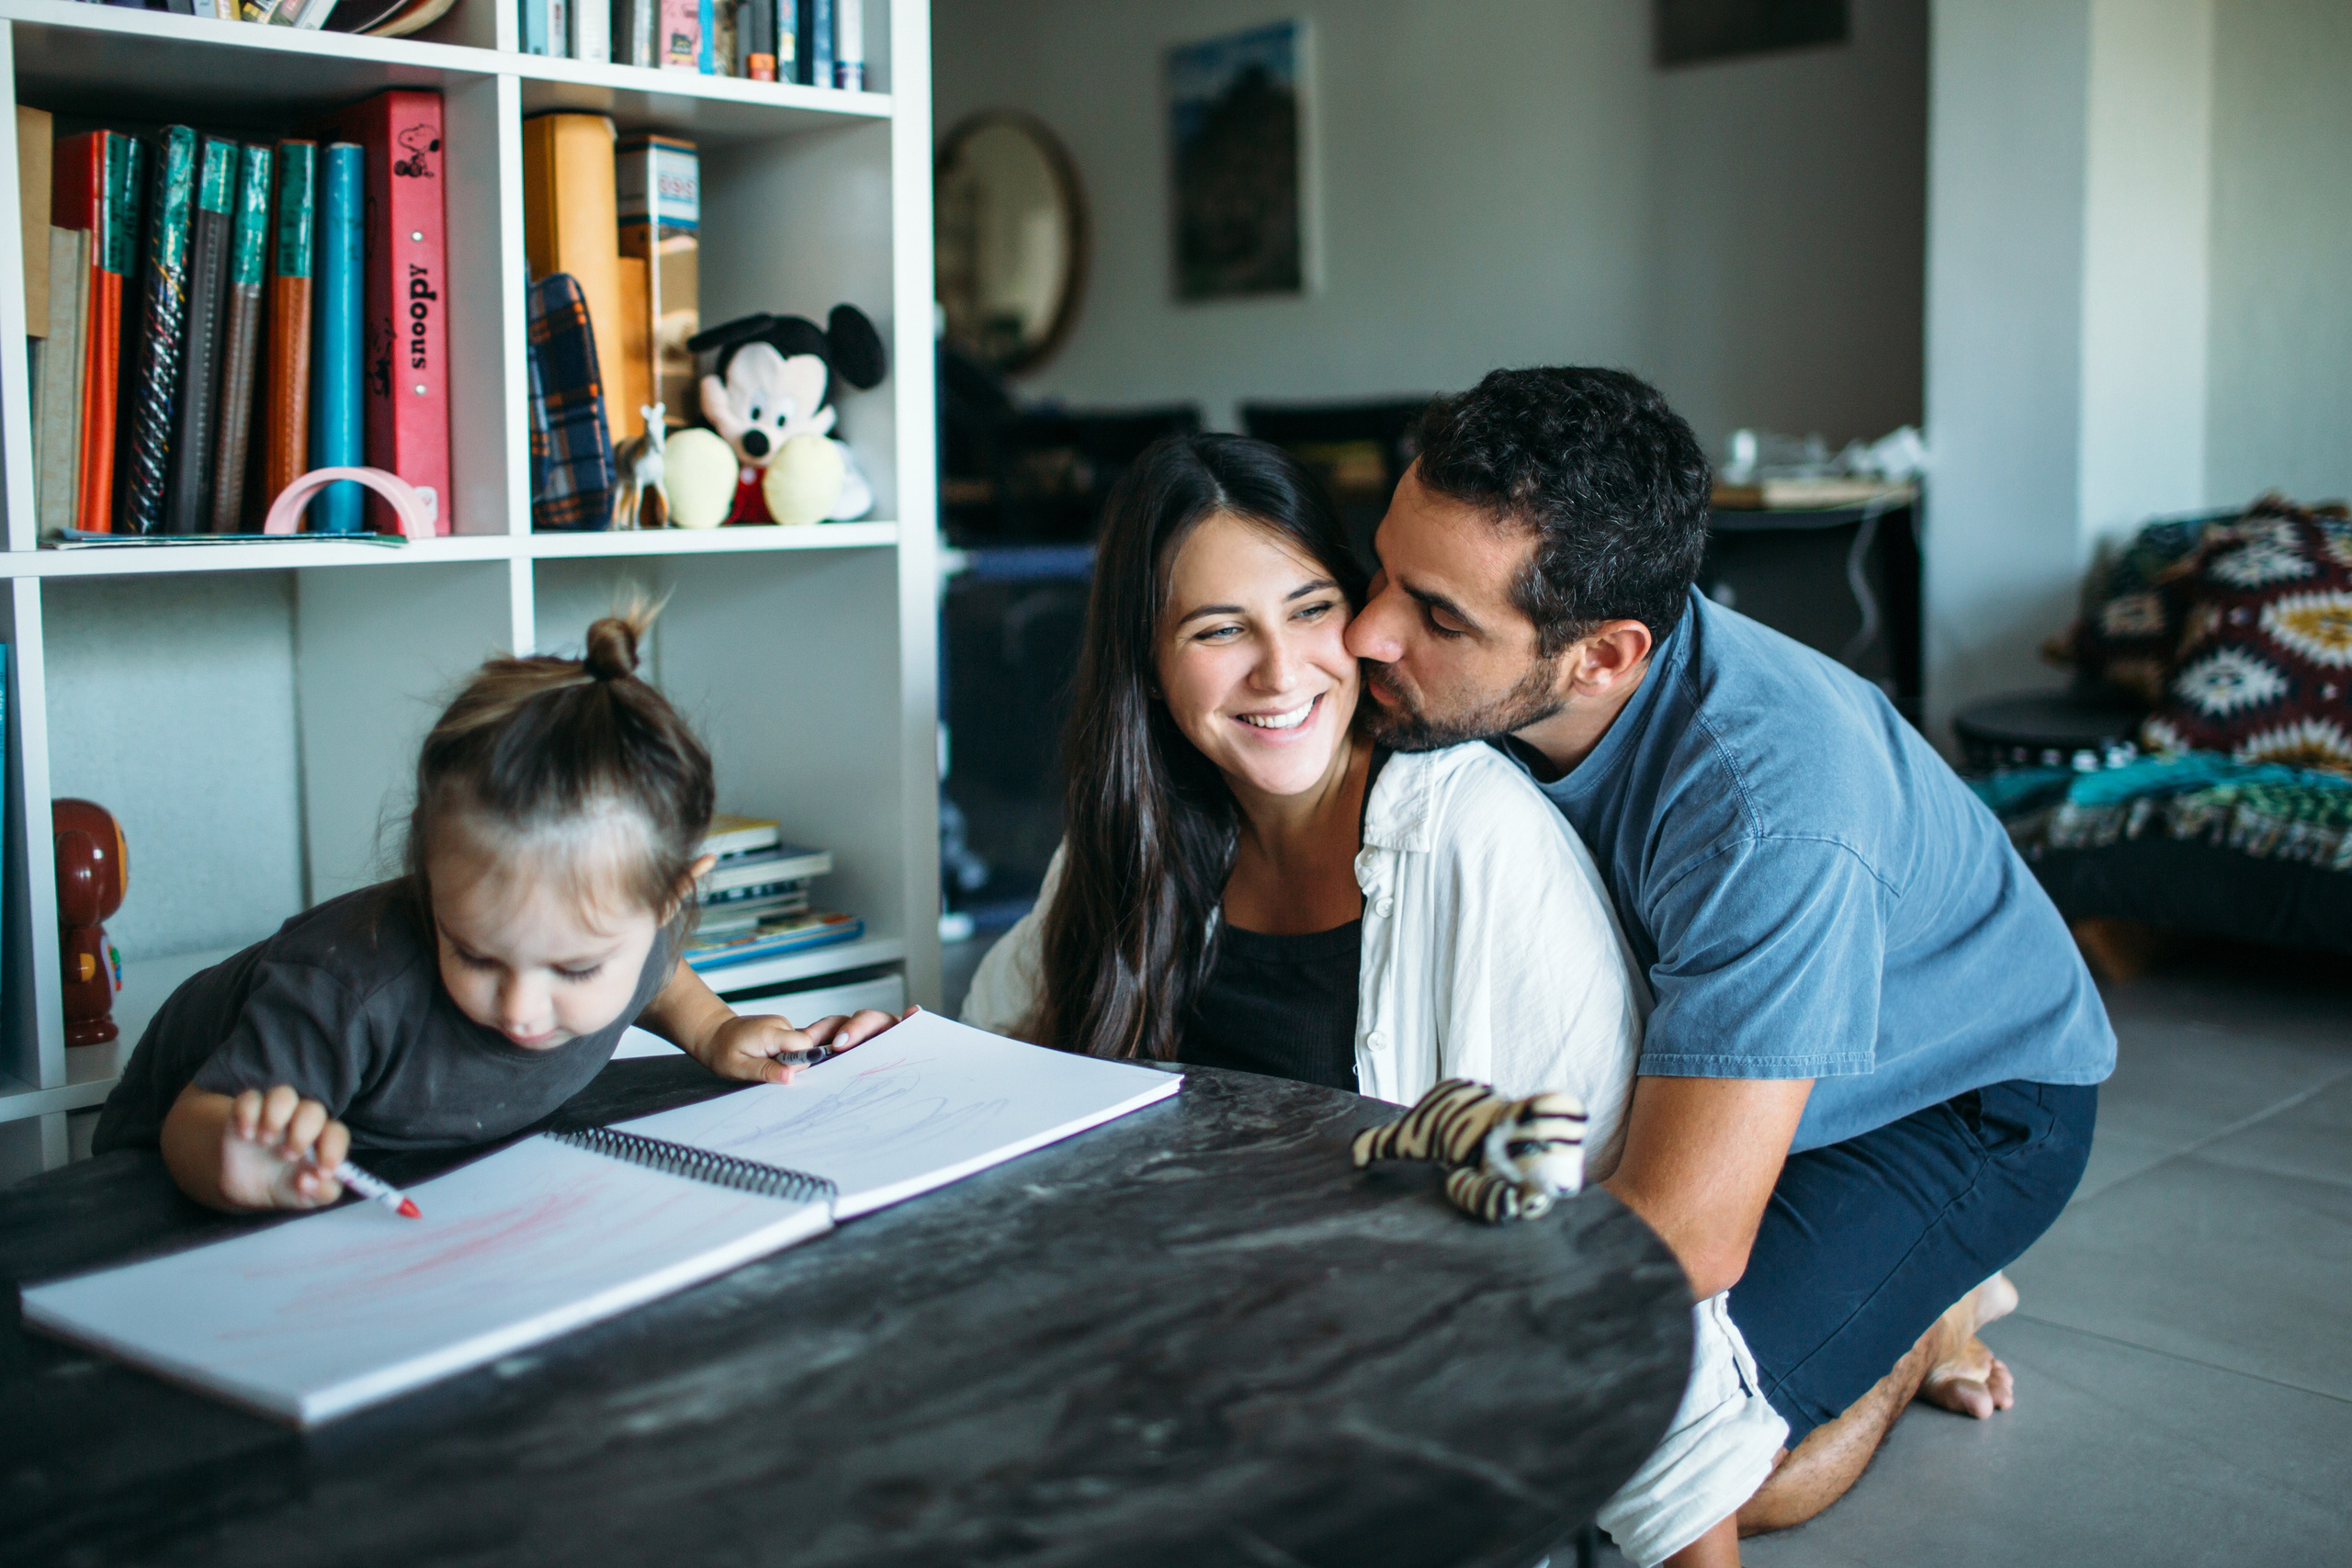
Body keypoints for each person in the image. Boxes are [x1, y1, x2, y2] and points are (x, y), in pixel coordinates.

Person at [964, 433, 1783, 1567]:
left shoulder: (1471, 837)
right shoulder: (1135, 843)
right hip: (1196, 1390)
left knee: (1781, 1474)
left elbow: (1605, 1247)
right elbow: (995, 1066)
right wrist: (878, 1053)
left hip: (1414, 1417)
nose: (1279, 671)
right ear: (1147, 663)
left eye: (1309, 611)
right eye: (1216, 631)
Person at [1341, 367, 2114, 1532]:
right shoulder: (1475, 686)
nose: (1364, 632)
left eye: (1437, 616)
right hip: (1729, 1068)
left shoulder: (1770, 809)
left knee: (1663, 1481)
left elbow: (1685, 1240)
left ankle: (1919, 1322)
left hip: (1959, 1101)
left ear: (1603, 656)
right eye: (1382, 572)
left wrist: (1387, 1325)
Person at [94, 607, 898, 1213]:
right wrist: (239, 1163)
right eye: (475, 954)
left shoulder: (637, 937)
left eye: (576, 966)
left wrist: (714, 1029)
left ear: (668, 902)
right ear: (429, 879)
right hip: (163, 1183)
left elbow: (659, 976)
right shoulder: (346, 991)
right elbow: (187, 1122)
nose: (518, 1006)